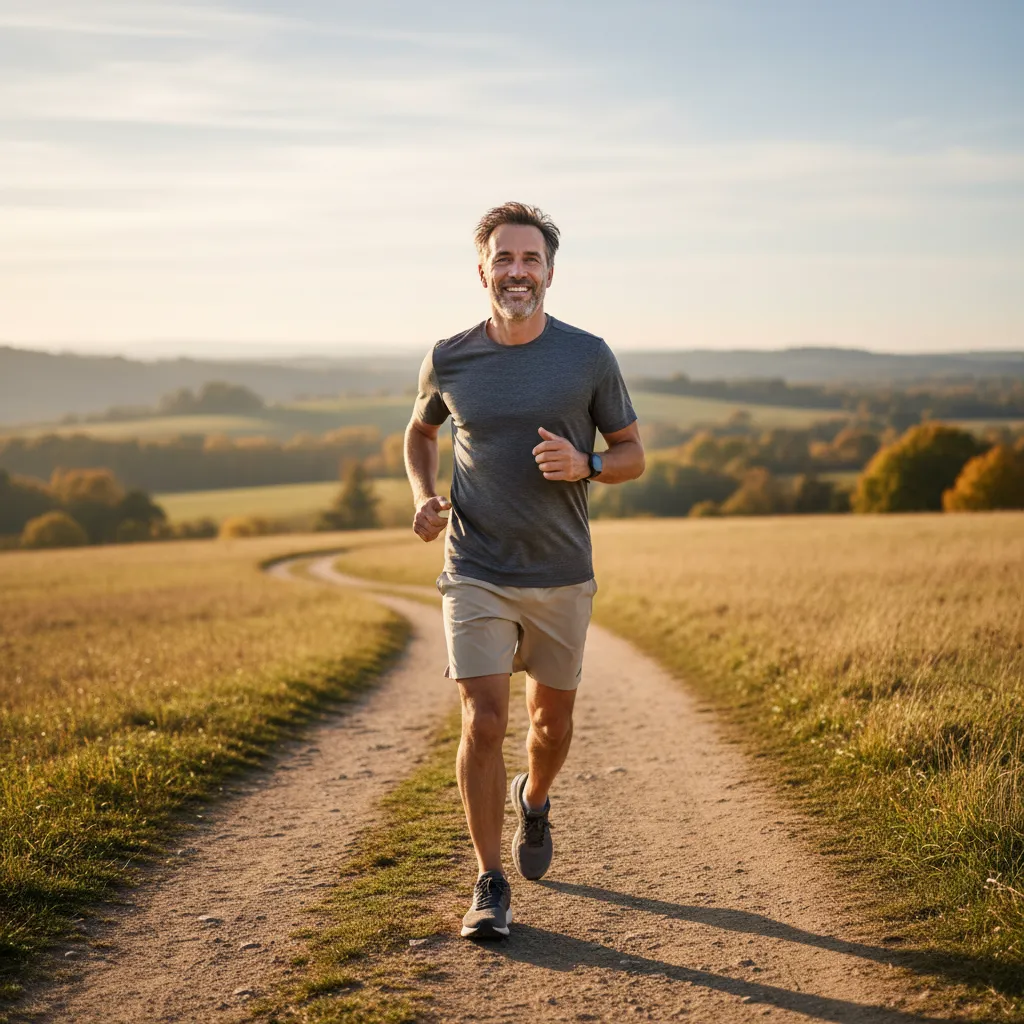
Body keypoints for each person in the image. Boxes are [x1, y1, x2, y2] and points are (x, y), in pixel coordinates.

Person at [403, 202, 645, 939]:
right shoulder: (450, 356)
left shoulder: (588, 356)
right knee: (484, 716)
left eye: (530, 259)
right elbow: (419, 432)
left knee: (550, 722)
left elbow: (632, 455)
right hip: (474, 564)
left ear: (549, 271)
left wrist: (587, 464)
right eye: (503, 259)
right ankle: (488, 881)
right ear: (482, 269)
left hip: (560, 571)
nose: (517, 272)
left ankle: (533, 799)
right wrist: (423, 495)